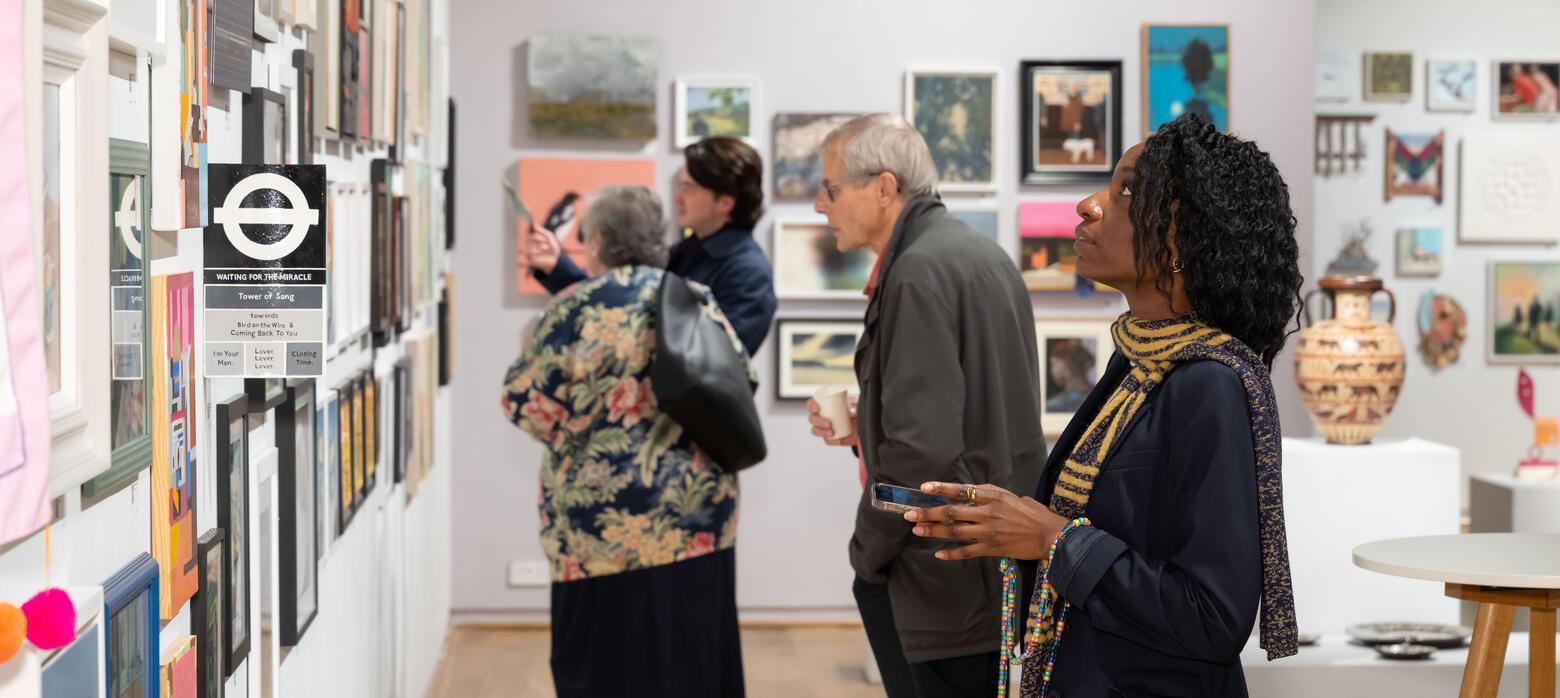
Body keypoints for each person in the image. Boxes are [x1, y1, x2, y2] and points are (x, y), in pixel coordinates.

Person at [905, 114, 1303, 697]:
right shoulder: (1137, 361)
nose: (1088, 206)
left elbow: (1213, 617)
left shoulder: (1207, 384)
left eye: (1127, 190)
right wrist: (1007, 521)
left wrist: (1055, 540)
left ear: (1179, 240)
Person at [804, 113, 1046, 697]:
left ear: (884, 188)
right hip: (994, 562)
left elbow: (922, 452)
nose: (819, 205)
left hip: (942, 571)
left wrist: (867, 551)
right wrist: (870, 425)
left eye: (830, 188)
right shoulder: (977, 254)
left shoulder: (915, 273)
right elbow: (979, 411)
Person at [501, 186, 750, 698]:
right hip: (695, 524)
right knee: (692, 669)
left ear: (596, 243)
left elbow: (525, 406)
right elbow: (739, 385)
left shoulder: (576, 308)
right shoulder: (693, 298)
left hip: (600, 532)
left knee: (604, 672)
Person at [524, 137, 778, 356]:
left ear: (725, 202)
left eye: (688, 188)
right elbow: (619, 302)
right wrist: (556, 266)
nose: (677, 199)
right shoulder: (689, 250)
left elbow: (719, 361)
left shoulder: (748, 274)